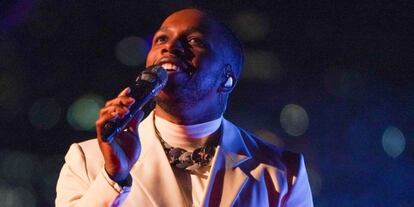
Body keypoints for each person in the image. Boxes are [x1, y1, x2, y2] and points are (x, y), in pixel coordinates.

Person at [55, 8, 313, 207]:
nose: (169, 46)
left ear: (227, 78)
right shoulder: (88, 160)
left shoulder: (281, 171)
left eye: (194, 41)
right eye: (161, 39)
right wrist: (114, 178)